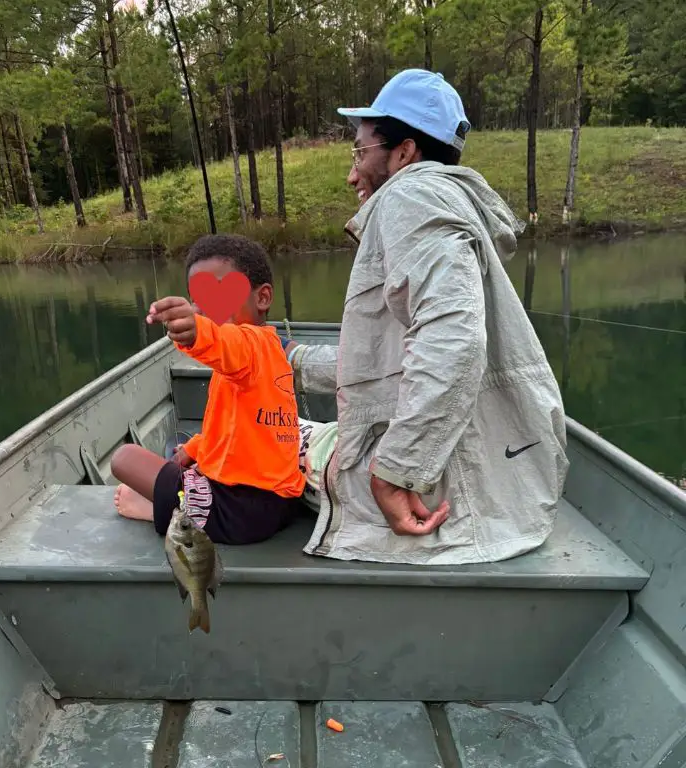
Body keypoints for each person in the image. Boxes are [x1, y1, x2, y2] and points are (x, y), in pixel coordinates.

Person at [285, 69, 570, 565]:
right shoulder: (439, 204)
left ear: (404, 152)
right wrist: (296, 359)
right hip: (496, 501)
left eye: (360, 152)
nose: (352, 173)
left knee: (238, 462)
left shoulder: (410, 197)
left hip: (447, 509)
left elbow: (454, 340)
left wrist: (396, 471)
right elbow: (394, 361)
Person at [111, 234, 306, 545]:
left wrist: (195, 330)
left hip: (237, 512)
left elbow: (222, 340)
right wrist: (194, 449)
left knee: (124, 458)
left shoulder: (247, 345)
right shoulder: (271, 353)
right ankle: (179, 499)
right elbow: (239, 432)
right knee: (179, 459)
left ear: (263, 298)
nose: (205, 309)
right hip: (281, 504)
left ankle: (158, 511)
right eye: (197, 300)